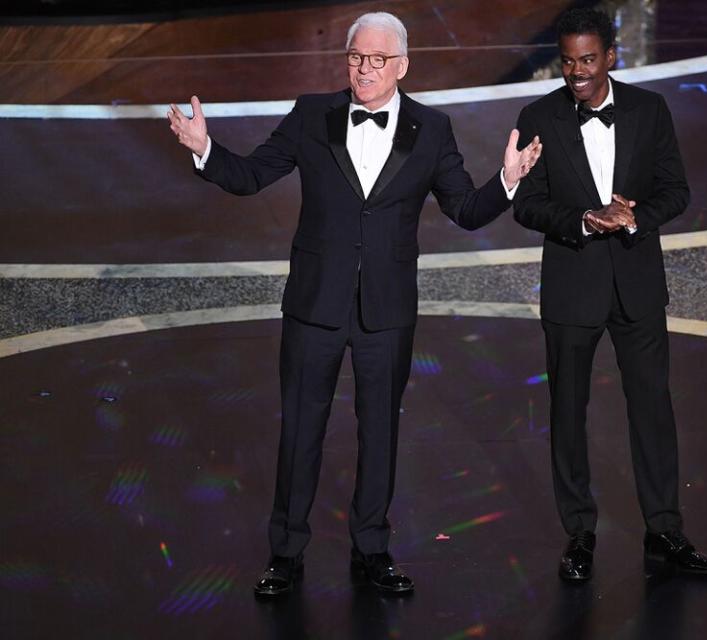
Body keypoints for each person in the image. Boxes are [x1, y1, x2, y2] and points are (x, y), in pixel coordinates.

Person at [167, 11, 541, 597]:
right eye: (356, 57)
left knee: (380, 434)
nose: (365, 69)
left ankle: (373, 549)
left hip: (386, 314)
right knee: (300, 432)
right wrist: (206, 149)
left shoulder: (432, 128)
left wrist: (507, 181)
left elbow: (464, 210)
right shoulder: (311, 113)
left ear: (403, 66)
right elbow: (252, 176)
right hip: (315, 304)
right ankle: (285, 554)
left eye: (377, 60)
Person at [512, 8, 707, 581]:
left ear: (610, 57)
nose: (575, 73)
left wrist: (632, 218)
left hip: (637, 286)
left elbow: (676, 190)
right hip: (572, 289)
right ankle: (579, 533)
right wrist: (582, 218)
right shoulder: (538, 115)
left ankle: (664, 529)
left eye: (586, 60)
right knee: (568, 413)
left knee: (652, 408)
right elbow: (527, 204)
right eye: (567, 62)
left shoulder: (650, 111)